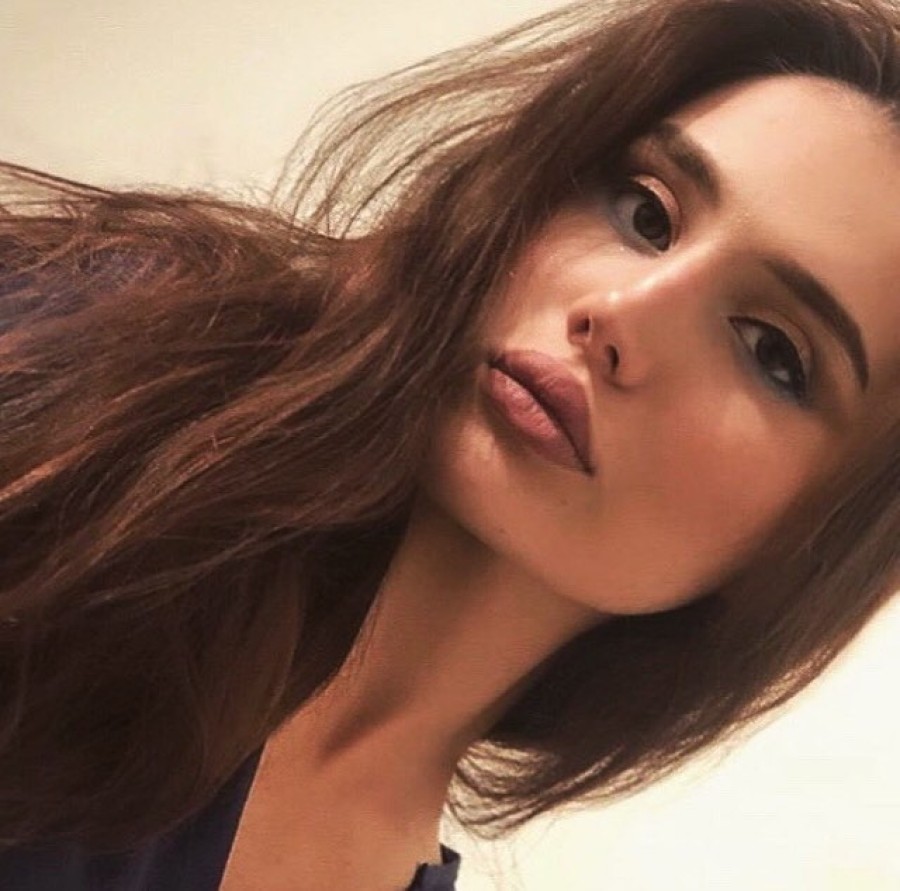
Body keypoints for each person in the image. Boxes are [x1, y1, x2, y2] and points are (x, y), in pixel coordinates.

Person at [0, 0, 898, 888]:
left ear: (815, 538)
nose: (621, 313)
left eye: (772, 351)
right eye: (644, 213)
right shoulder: (89, 364)